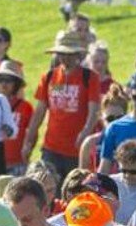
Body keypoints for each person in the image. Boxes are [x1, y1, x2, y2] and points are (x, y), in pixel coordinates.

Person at [24, 32, 101, 177]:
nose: (65, 58)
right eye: (62, 54)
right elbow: (39, 111)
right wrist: (29, 140)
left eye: (70, 54)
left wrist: (85, 132)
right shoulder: (49, 77)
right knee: (46, 186)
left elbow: (94, 111)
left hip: (77, 149)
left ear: (78, 55)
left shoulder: (89, 78)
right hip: (51, 147)